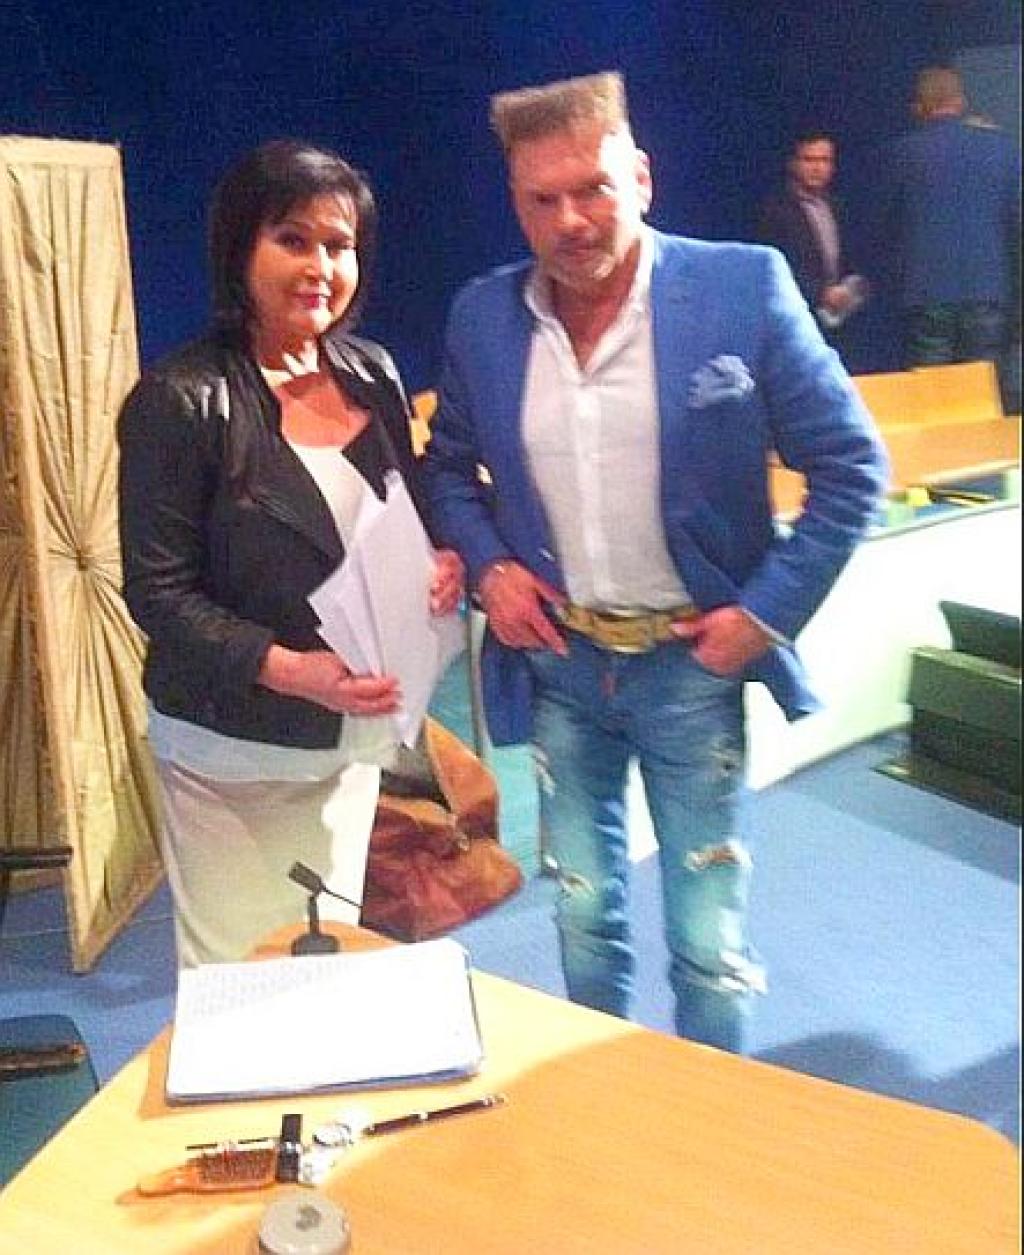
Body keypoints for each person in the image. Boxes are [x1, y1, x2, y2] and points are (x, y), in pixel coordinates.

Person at [424, 72, 887, 1054]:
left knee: (707, 937)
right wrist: (491, 567)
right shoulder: (482, 316)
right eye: (542, 199)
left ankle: (710, 1107)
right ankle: (605, 1099)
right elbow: (448, 470)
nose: (570, 220)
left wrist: (764, 614)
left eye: (592, 188)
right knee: (581, 913)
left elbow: (853, 467)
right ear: (516, 203)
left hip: (690, 667)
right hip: (560, 665)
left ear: (639, 175)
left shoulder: (741, 287)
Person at [118, 140, 463, 966]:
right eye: (292, 240)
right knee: (241, 974)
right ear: (240, 249)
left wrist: (441, 562)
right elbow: (158, 593)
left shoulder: (372, 372)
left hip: (353, 738)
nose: (320, 267)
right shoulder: (180, 399)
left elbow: (406, 513)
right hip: (236, 753)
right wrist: (288, 669)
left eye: (339, 245)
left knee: (328, 951)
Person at [885, 67, 1020, 381]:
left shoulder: (902, 154)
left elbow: (886, 229)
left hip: (925, 292)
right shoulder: (1004, 150)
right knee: (983, 390)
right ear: (961, 102)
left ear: (919, 106)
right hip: (988, 289)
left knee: (934, 393)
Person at [757, 128, 869, 345]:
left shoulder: (838, 207)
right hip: (794, 321)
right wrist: (820, 294)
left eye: (825, 160)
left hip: (840, 320)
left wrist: (849, 289)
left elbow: (850, 258)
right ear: (793, 164)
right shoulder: (774, 211)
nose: (818, 168)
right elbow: (773, 266)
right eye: (809, 160)